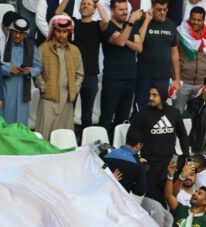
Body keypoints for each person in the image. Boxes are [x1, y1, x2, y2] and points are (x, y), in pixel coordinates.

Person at [130, 84, 190, 202]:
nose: (150, 98)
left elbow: (182, 135)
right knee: (152, 199)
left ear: (162, 96)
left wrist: (186, 155)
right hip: (150, 162)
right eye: (150, 95)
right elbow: (131, 137)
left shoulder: (174, 112)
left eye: (154, 95)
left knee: (170, 197)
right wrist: (136, 157)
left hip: (170, 162)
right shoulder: (142, 114)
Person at [98, 0, 143, 134]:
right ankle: (103, 148)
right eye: (121, 10)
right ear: (112, 11)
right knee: (107, 117)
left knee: (123, 118)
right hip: (113, 79)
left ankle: (118, 148)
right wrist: (129, 24)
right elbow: (120, 41)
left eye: (126, 9)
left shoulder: (132, 26)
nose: (125, 12)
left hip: (130, 78)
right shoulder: (108, 26)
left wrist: (126, 38)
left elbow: (139, 47)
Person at [36, 15, 84, 139]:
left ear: (69, 32)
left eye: (64, 32)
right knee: (44, 133)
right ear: (53, 30)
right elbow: (36, 71)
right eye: (58, 31)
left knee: (64, 135)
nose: (61, 35)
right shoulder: (43, 49)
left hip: (67, 98)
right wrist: (43, 87)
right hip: (48, 98)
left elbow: (80, 74)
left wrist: (75, 88)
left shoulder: (75, 50)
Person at [132, 0, 180, 109]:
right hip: (144, 76)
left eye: (165, 10)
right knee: (141, 107)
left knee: (160, 108)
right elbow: (137, 43)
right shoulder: (141, 22)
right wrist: (147, 21)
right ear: (152, 7)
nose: (162, 12)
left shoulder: (171, 25)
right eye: (159, 9)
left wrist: (176, 79)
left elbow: (174, 53)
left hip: (164, 77)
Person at [69, 0, 108, 132]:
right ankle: (70, 139)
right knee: (69, 110)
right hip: (73, 74)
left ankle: (85, 142)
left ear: (94, 10)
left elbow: (106, 21)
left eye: (89, 4)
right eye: (83, 3)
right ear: (79, 8)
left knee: (87, 113)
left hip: (91, 75)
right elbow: (58, 13)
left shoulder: (97, 25)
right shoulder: (73, 24)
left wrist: (97, 3)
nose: (85, 5)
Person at [174, 7, 206, 115]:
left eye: (199, 20)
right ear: (189, 18)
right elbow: (172, 56)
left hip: (201, 85)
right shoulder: (180, 33)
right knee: (176, 116)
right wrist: (175, 79)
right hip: (183, 83)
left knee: (198, 117)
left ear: (203, 21)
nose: (195, 22)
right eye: (193, 19)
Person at [0, 18, 41, 126]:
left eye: (21, 33)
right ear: (11, 31)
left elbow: (38, 67)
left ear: (26, 34)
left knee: (21, 123)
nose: (18, 36)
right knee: (5, 120)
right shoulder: (1, 44)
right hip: (5, 87)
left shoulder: (31, 47)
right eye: (15, 32)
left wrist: (30, 71)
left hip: (23, 88)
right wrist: (8, 69)